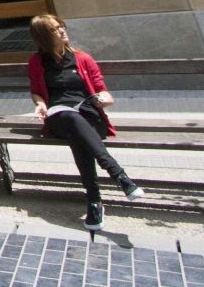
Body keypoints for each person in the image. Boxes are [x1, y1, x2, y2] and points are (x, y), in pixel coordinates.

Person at [28, 14, 145, 232]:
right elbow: (36, 92)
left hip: (88, 114)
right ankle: (118, 175)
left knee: (77, 132)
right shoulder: (37, 62)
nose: (62, 31)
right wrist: (41, 105)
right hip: (59, 117)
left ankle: (94, 200)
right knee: (71, 119)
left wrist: (106, 99)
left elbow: (102, 90)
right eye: (55, 29)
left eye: (62, 26)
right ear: (44, 37)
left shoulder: (83, 58)